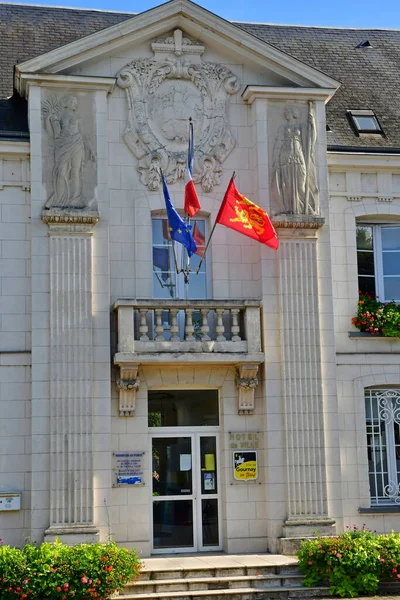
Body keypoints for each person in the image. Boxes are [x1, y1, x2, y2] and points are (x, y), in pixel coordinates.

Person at [271, 104, 319, 215]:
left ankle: (307, 209)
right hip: (285, 156)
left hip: (299, 156)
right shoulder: (282, 128)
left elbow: (311, 137)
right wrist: (276, 159)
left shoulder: (301, 127)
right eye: (286, 112)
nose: (286, 113)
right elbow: (279, 143)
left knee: (300, 185)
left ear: (294, 113)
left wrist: (312, 122)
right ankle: (289, 209)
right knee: (287, 185)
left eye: (289, 111)